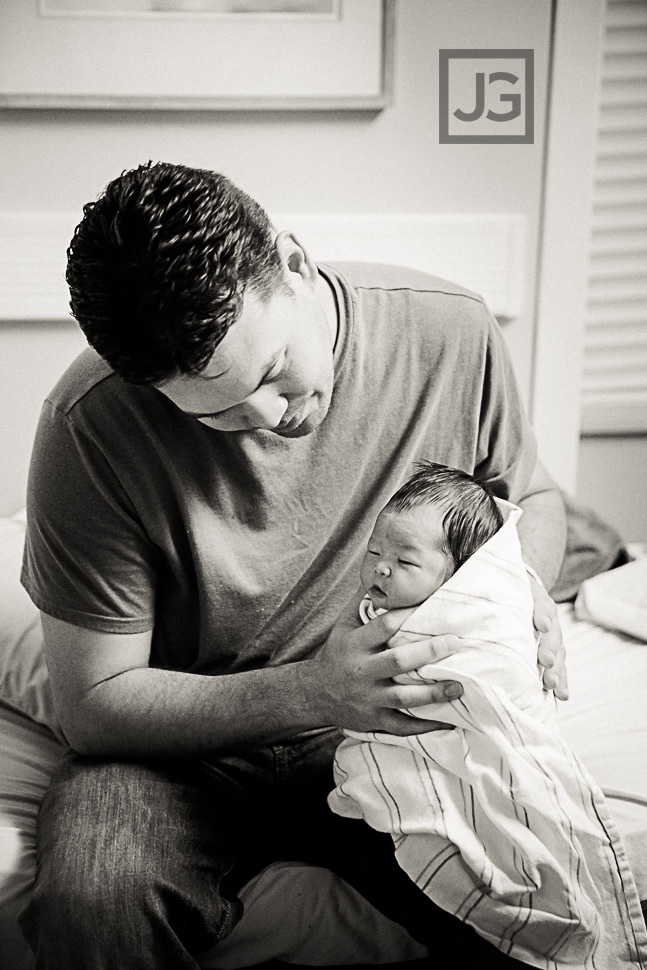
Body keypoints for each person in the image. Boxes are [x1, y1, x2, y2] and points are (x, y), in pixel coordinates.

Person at [19, 160, 569, 969]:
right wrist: (314, 688)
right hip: (179, 747)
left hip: (399, 731)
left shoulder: (448, 331)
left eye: (274, 373)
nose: (268, 420)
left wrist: (519, 588)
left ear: (295, 261)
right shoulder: (90, 424)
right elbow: (94, 704)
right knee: (91, 900)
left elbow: (531, 498)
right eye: (216, 414)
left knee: (532, 886)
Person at [329, 462, 647, 968]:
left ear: (459, 573)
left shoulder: (478, 613)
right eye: (373, 553)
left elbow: (499, 682)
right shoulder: (379, 608)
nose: (380, 569)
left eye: (404, 562)